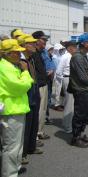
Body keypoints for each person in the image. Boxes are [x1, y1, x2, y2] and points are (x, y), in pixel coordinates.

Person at [0, 39, 34, 176]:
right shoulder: (4, 67)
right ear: (8, 54)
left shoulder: (11, 65)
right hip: (11, 111)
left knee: (17, 145)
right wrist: (26, 73)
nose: (19, 55)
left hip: (17, 109)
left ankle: (15, 168)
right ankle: (9, 174)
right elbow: (20, 87)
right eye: (16, 52)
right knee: (11, 146)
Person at [68, 33, 88, 148]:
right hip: (80, 90)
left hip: (85, 89)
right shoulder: (77, 57)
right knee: (79, 114)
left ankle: (80, 134)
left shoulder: (83, 55)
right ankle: (75, 138)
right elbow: (82, 76)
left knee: (85, 114)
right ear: (84, 44)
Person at [17, 34, 43, 166]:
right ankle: (22, 154)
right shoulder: (20, 62)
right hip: (26, 96)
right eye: (31, 43)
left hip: (34, 94)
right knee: (25, 127)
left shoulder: (30, 59)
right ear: (23, 46)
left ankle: (31, 147)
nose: (34, 45)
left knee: (33, 124)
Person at [31, 31, 51, 140]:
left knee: (43, 110)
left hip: (44, 83)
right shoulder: (33, 54)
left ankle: (40, 131)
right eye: (44, 40)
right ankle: (36, 135)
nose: (45, 42)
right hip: (38, 85)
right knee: (39, 110)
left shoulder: (40, 52)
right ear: (37, 40)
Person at [56, 40, 77, 133]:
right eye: (75, 47)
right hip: (67, 79)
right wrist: (64, 80)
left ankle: (69, 123)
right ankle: (67, 125)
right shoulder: (65, 56)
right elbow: (58, 71)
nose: (76, 49)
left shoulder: (72, 56)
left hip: (72, 79)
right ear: (70, 48)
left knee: (72, 103)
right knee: (69, 103)